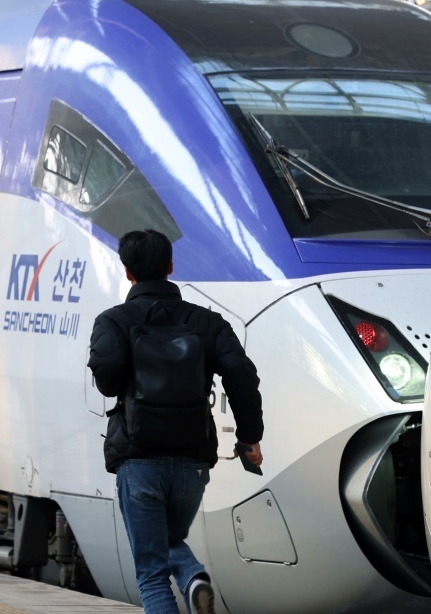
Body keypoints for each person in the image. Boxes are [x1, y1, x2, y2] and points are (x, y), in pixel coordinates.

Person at [88, 229, 264, 614]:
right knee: (167, 541)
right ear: (170, 266)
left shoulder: (114, 321)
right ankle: (192, 576)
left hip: (138, 458)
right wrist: (250, 437)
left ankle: (192, 576)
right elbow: (242, 376)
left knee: (151, 572)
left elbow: (107, 382)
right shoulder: (208, 323)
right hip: (191, 463)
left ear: (127, 271)